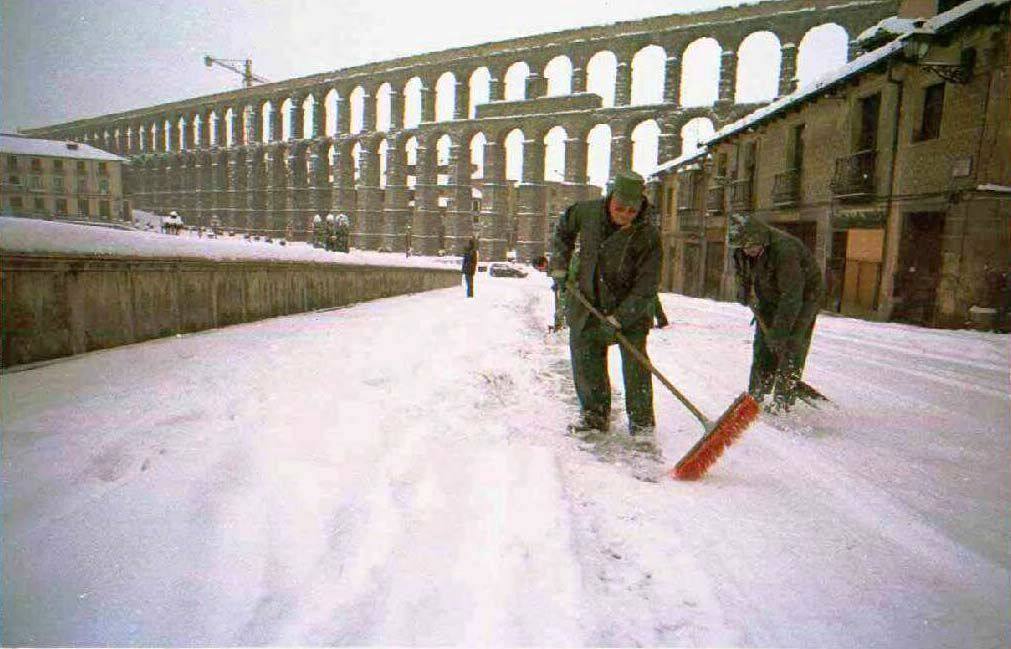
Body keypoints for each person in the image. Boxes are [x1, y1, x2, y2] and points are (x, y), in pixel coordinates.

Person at [549, 170, 662, 444]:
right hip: (588, 299)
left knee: (636, 364)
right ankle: (594, 417)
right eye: (619, 208)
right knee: (586, 357)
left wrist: (620, 316)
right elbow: (563, 230)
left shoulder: (648, 234)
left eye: (631, 210)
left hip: (631, 307)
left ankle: (642, 425)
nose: (624, 214)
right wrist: (560, 265)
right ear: (610, 199)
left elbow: (647, 285)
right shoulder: (586, 212)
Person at [730, 214, 825, 411]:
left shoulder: (785, 251)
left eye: (751, 248)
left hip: (805, 297)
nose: (747, 252)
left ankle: (783, 399)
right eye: (744, 248)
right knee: (762, 345)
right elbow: (743, 272)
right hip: (770, 293)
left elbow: (792, 297)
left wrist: (779, 332)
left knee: (790, 344)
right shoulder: (742, 249)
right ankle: (756, 394)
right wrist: (743, 290)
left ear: (762, 241)